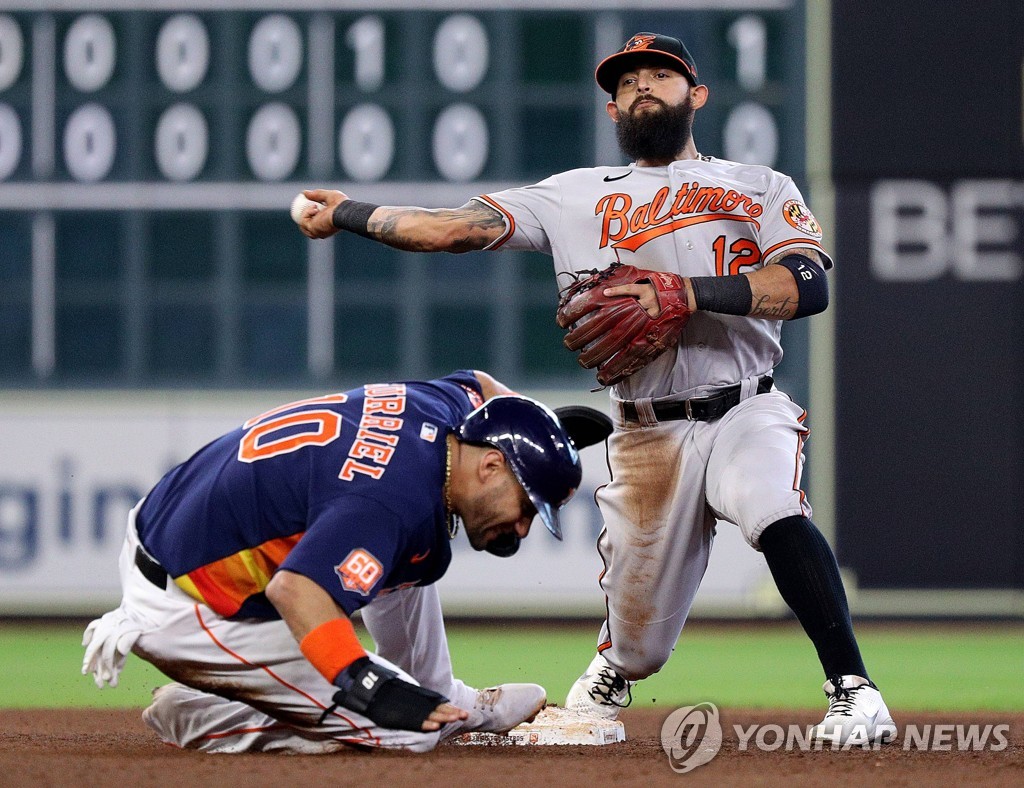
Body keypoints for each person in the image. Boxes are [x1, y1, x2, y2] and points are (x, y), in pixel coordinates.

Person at [295, 33, 895, 746]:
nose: (645, 86)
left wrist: (687, 293)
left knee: (771, 503)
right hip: (647, 428)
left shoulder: (760, 186)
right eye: (629, 80)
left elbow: (806, 284)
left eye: (661, 75)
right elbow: (450, 230)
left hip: (744, 402)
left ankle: (854, 691)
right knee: (641, 643)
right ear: (612, 106)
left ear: (696, 95)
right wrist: (347, 212)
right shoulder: (572, 196)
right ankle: (605, 680)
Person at [82, 370, 582, 753]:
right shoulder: (391, 501)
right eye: (527, 506)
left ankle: (437, 691)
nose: (522, 528)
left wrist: (543, 430)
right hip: (190, 602)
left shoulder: (448, 414)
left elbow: (481, 384)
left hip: (169, 521)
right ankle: (211, 717)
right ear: (491, 464)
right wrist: (369, 685)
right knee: (410, 735)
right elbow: (298, 591)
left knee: (422, 541)